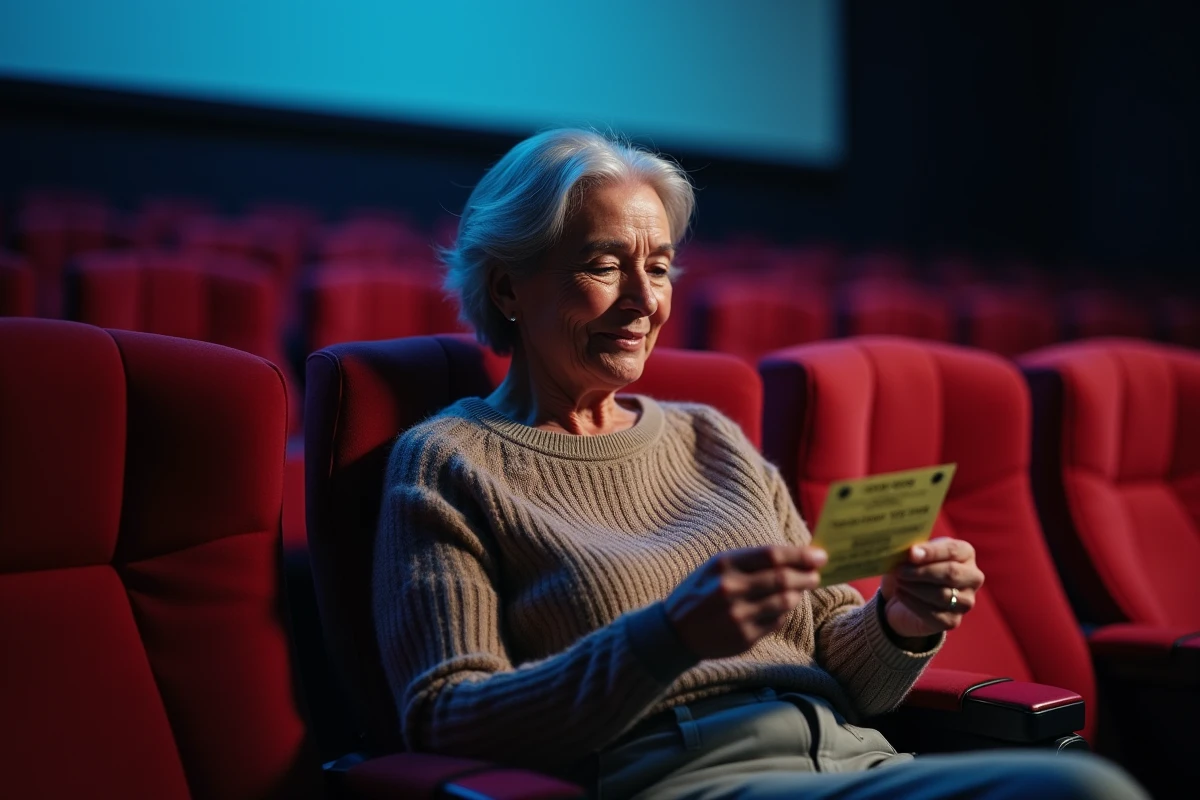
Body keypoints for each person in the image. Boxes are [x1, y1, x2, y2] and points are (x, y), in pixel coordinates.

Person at [372, 129, 1147, 799]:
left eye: (662, 266)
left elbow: (845, 664)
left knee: (1087, 784)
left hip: (852, 760)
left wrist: (900, 620)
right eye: (605, 265)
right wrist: (669, 634)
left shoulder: (712, 439)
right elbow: (446, 717)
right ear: (509, 286)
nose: (645, 300)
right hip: (684, 777)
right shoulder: (450, 461)